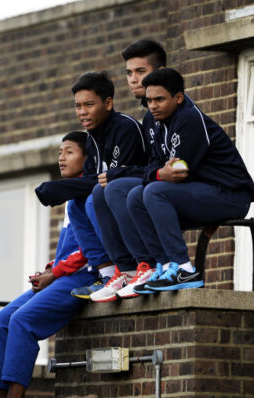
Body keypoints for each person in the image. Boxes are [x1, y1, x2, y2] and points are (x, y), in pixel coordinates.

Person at [0, 132, 98, 398]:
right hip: (61, 275)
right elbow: (68, 250)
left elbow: (89, 250)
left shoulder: (92, 196)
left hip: (83, 279)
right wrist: (50, 269)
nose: (61, 158)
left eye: (69, 152)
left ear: (88, 157)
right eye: (60, 152)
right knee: (0, 322)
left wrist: (55, 273)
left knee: (22, 320)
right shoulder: (71, 197)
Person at [127, 68, 254, 291]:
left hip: (230, 195)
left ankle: (184, 269)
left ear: (178, 98)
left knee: (154, 192)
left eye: (160, 99)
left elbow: (178, 174)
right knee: (135, 197)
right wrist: (158, 174)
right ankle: (166, 266)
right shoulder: (153, 121)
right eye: (149, 100)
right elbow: (153, 167)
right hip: (200, 192)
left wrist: (159, 175)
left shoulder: (189, 119)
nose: (153, 105)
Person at [49, 71, 146, 302]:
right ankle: (108, 273)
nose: (82, 112)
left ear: (108, 103)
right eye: (78, 106)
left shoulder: (126, 128)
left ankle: (130, 267)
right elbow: (92, 178)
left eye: (89, 104)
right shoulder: (92, 136)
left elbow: (131, 175)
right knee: (77, 203)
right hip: (113, 199)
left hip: (138, 202)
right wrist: (58, 189)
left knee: (96, 197)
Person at [85, 39, 169, 300]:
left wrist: (117, 174)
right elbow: (150, 167)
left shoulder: (177, 111)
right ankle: (126, 269)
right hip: (157, 182)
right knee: (97, 194)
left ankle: (150, 263)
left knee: (119, 188)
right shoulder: (148, 118)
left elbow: (177, 164)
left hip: (184, 187)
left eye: (141, 72)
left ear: (160, 72)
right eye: (129, 73)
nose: (133, 80)